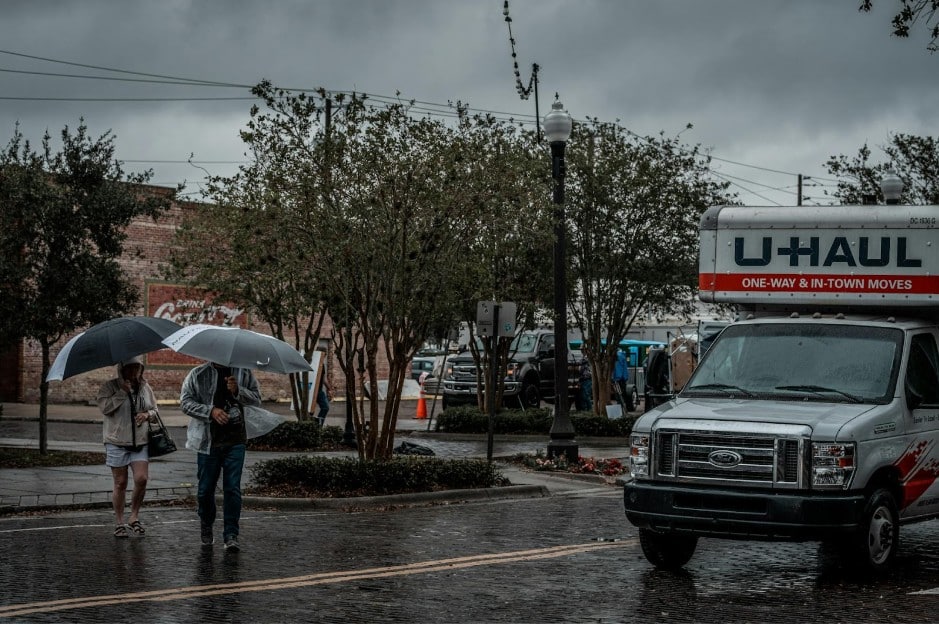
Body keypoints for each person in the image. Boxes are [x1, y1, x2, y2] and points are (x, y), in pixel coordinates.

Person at [180, 360, 262, 551]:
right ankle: (206, 522)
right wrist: (211, 411)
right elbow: (185, 402)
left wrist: (238, 391)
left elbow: (257, 399)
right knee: (205, 490)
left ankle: (231, 534)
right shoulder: (198, 374)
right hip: (208, 442)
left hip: (235, 440)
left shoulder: (243, 372)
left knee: (232, 488)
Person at [96, 355, 160, 538]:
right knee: (120, 482)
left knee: (142, 479)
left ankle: (134, 516)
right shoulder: (109, 387)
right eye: (130, 368)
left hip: (140, 441)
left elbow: (155, 411)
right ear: (122, 370)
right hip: (116, 442)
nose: (134, 372)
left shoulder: (145, 387)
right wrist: (122, 393)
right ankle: (119, 522)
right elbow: (105, 408)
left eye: (137, 368)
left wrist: (147, 415)